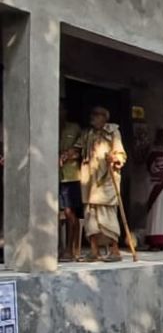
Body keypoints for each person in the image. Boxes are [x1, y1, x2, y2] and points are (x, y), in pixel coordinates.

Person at [76, 107, 127, 262]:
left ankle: (115, 251)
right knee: (90, 213)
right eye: (92, 115)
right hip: (90, 179)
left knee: (107, 213)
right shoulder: (88, 133)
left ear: (104, 117)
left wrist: (115, 158)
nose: (93, 118)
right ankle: (94, 250)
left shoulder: (113, 132)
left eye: (96, 115)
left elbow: (121, 154)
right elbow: (78, 148)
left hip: (106, 179)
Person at [58, 105, 83, 262]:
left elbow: (81, 148)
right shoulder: (49, 125)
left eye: (62, 110)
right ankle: (57, 248)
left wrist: (67, 155)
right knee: (52, 214)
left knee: (69, 213)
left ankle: (69, 249)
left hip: (70, 176)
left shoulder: (74, 128)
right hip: (51, 176)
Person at [144, 131, 163, 251]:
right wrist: (162, 176)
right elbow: (152, 169)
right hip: (158, 186)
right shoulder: (154, 153)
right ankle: (155, 241)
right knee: (157, 213)